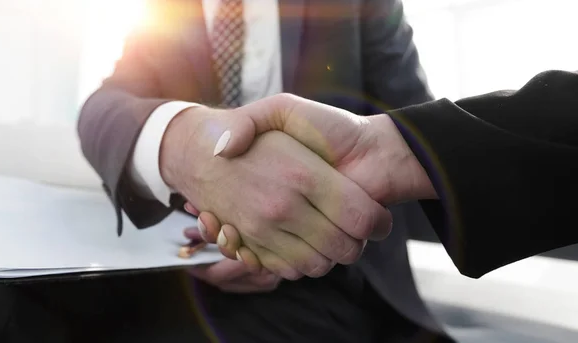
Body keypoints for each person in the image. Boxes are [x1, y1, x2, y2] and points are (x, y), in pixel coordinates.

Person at [43, 0, 451, 342]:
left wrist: (281, 225)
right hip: (181, 269)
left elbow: (417, 140)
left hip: (326, 278)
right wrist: (180, 145)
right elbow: (103, 106)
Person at [190, 69, 578, 281]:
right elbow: (131, 112)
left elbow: (407, 99)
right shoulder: (163, 18)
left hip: (359, 275)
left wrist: (387, 150)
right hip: (196, 279)